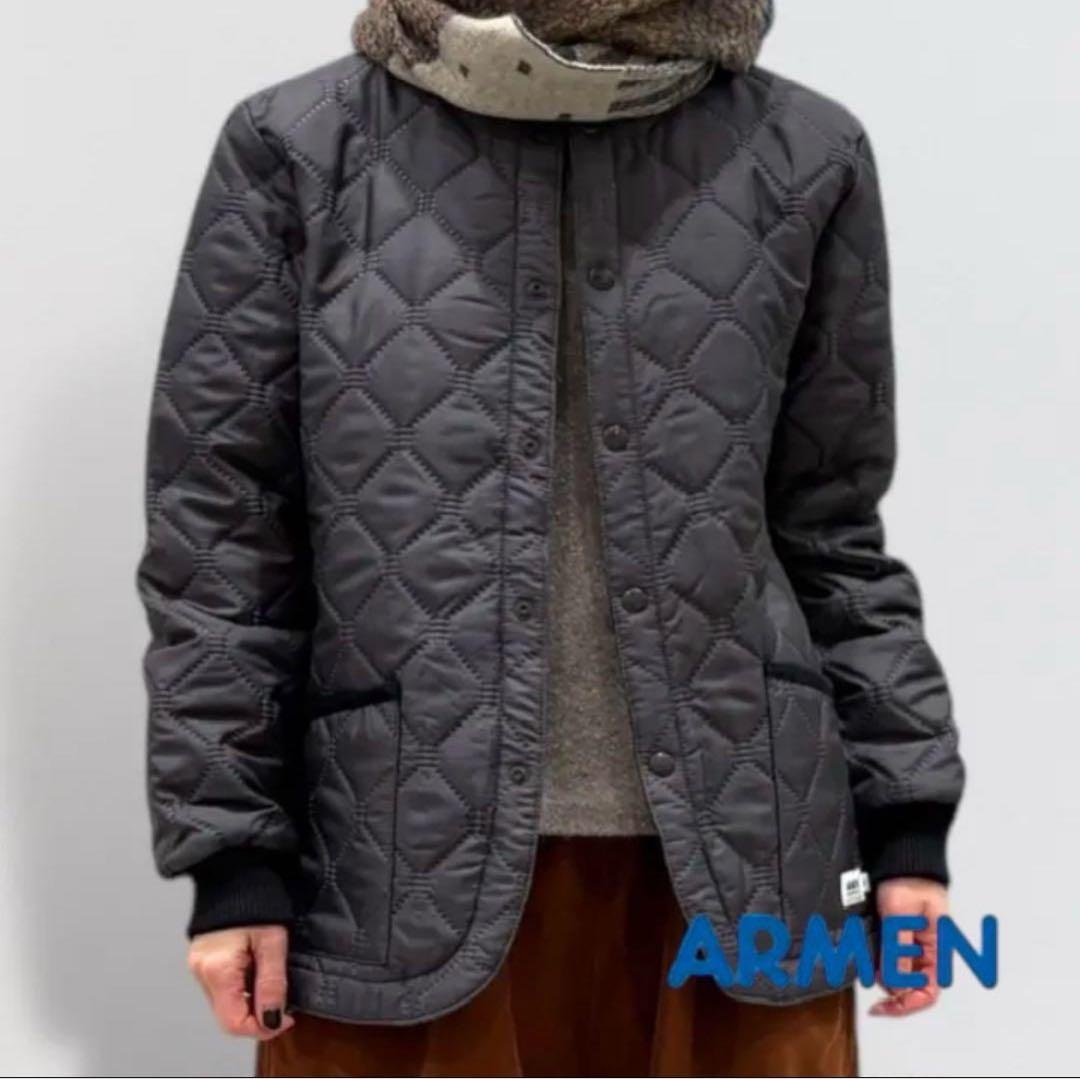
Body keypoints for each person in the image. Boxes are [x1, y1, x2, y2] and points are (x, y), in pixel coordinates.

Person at [138, 1, 965, 1074]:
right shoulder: (299, 146)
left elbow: (832, 531)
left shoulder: (807, 153)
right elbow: (223, 538)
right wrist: (233, 853)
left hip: (747, 868)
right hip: (391, 869)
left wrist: (905, 823)